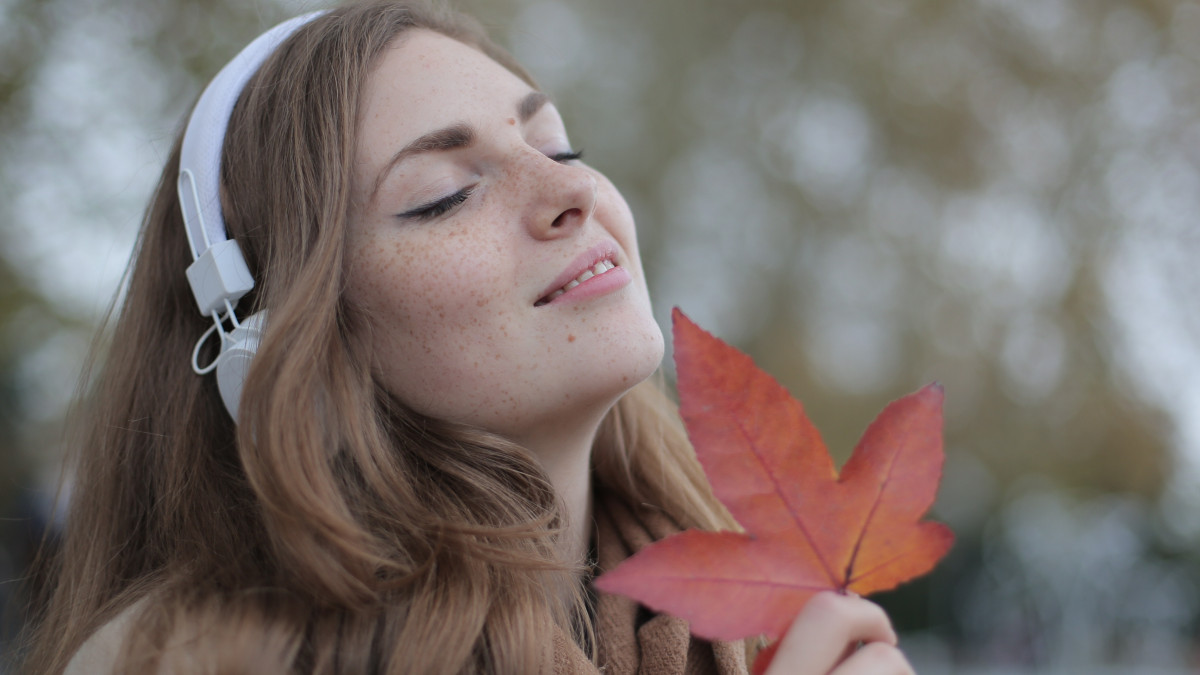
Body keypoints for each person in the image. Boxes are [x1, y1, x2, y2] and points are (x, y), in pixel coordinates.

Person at [24, 1, 915, 673]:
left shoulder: (773, 629)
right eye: (443, 195)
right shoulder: (182, 660)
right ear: (271, 351)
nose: (573, 192)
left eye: (559, 148)